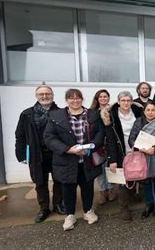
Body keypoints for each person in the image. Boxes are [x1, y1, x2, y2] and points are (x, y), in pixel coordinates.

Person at [44, 89, 104, 231]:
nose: (75, 100)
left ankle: (88, 211)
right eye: (71, 98)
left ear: (82, 99)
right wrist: (68, 149)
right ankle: (70, 215)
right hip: (66, 160)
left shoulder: (93, 115)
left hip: (87, 159)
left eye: (78, 98)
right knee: (68, 188)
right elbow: (49, 137)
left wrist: (91, 147)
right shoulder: (56, 116)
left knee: (88, 187)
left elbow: (100, 134)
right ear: (67, 100)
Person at [15, 85, 65, 223]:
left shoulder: (61, 112)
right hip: (37, 155)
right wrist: (21, 155)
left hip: (57, 154)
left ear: (52, 95)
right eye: (41, 94)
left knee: (59, 181)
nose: (45, 96)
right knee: (40, 183)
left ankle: (58, 204)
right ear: (36, 96)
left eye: (47, 94)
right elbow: (20, 135)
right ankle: (44, 208)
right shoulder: (27, 114)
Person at [101, 91, 143, 221]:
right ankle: (123, 208)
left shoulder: (137, 113)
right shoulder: (111, 116)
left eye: (128, 100)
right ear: (118, 102)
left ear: (131, 101)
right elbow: (110, 140)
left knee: (135, 174)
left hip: (136, 150)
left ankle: (131, 194)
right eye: (123, 100)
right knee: (123, 181)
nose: (126, 103)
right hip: (120, 151)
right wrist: (112, 159)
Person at [128, 101, 155, 218]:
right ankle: (148, 205)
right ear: (144, 111)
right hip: (142, 157)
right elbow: (131, 139)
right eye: (148, 110)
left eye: (153, 110)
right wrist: (139, 147)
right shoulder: (138, 122)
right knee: (146, 182)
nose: (150, 112)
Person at [90, 89, 117, 205]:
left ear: (108, 98)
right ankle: (102, 191)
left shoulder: (113, 110)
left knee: (110, 167)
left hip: (110, 143)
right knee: (100, 170)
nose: (103, 98)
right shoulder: (91, 112)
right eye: (100, 97)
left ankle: (111, 189)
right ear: (97, 98)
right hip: (98, 145)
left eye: (105, 96)